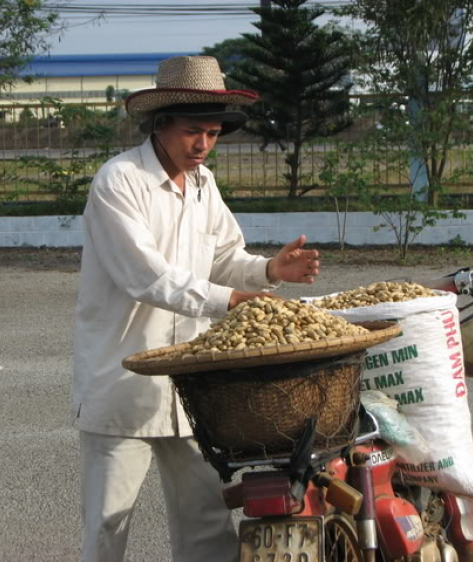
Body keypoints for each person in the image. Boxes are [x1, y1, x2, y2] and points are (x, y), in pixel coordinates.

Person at [71, 55, 321, 562]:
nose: (203, 144)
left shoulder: (204, 185)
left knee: (207, 522)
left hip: (190, 384)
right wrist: (228, 298)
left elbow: (225, 256)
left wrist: (271, 270)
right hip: (123, 385)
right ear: (160, 125)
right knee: (106, 525)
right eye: (192, 131)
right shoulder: (120, 182)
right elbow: (146, 277)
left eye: (212, 133)